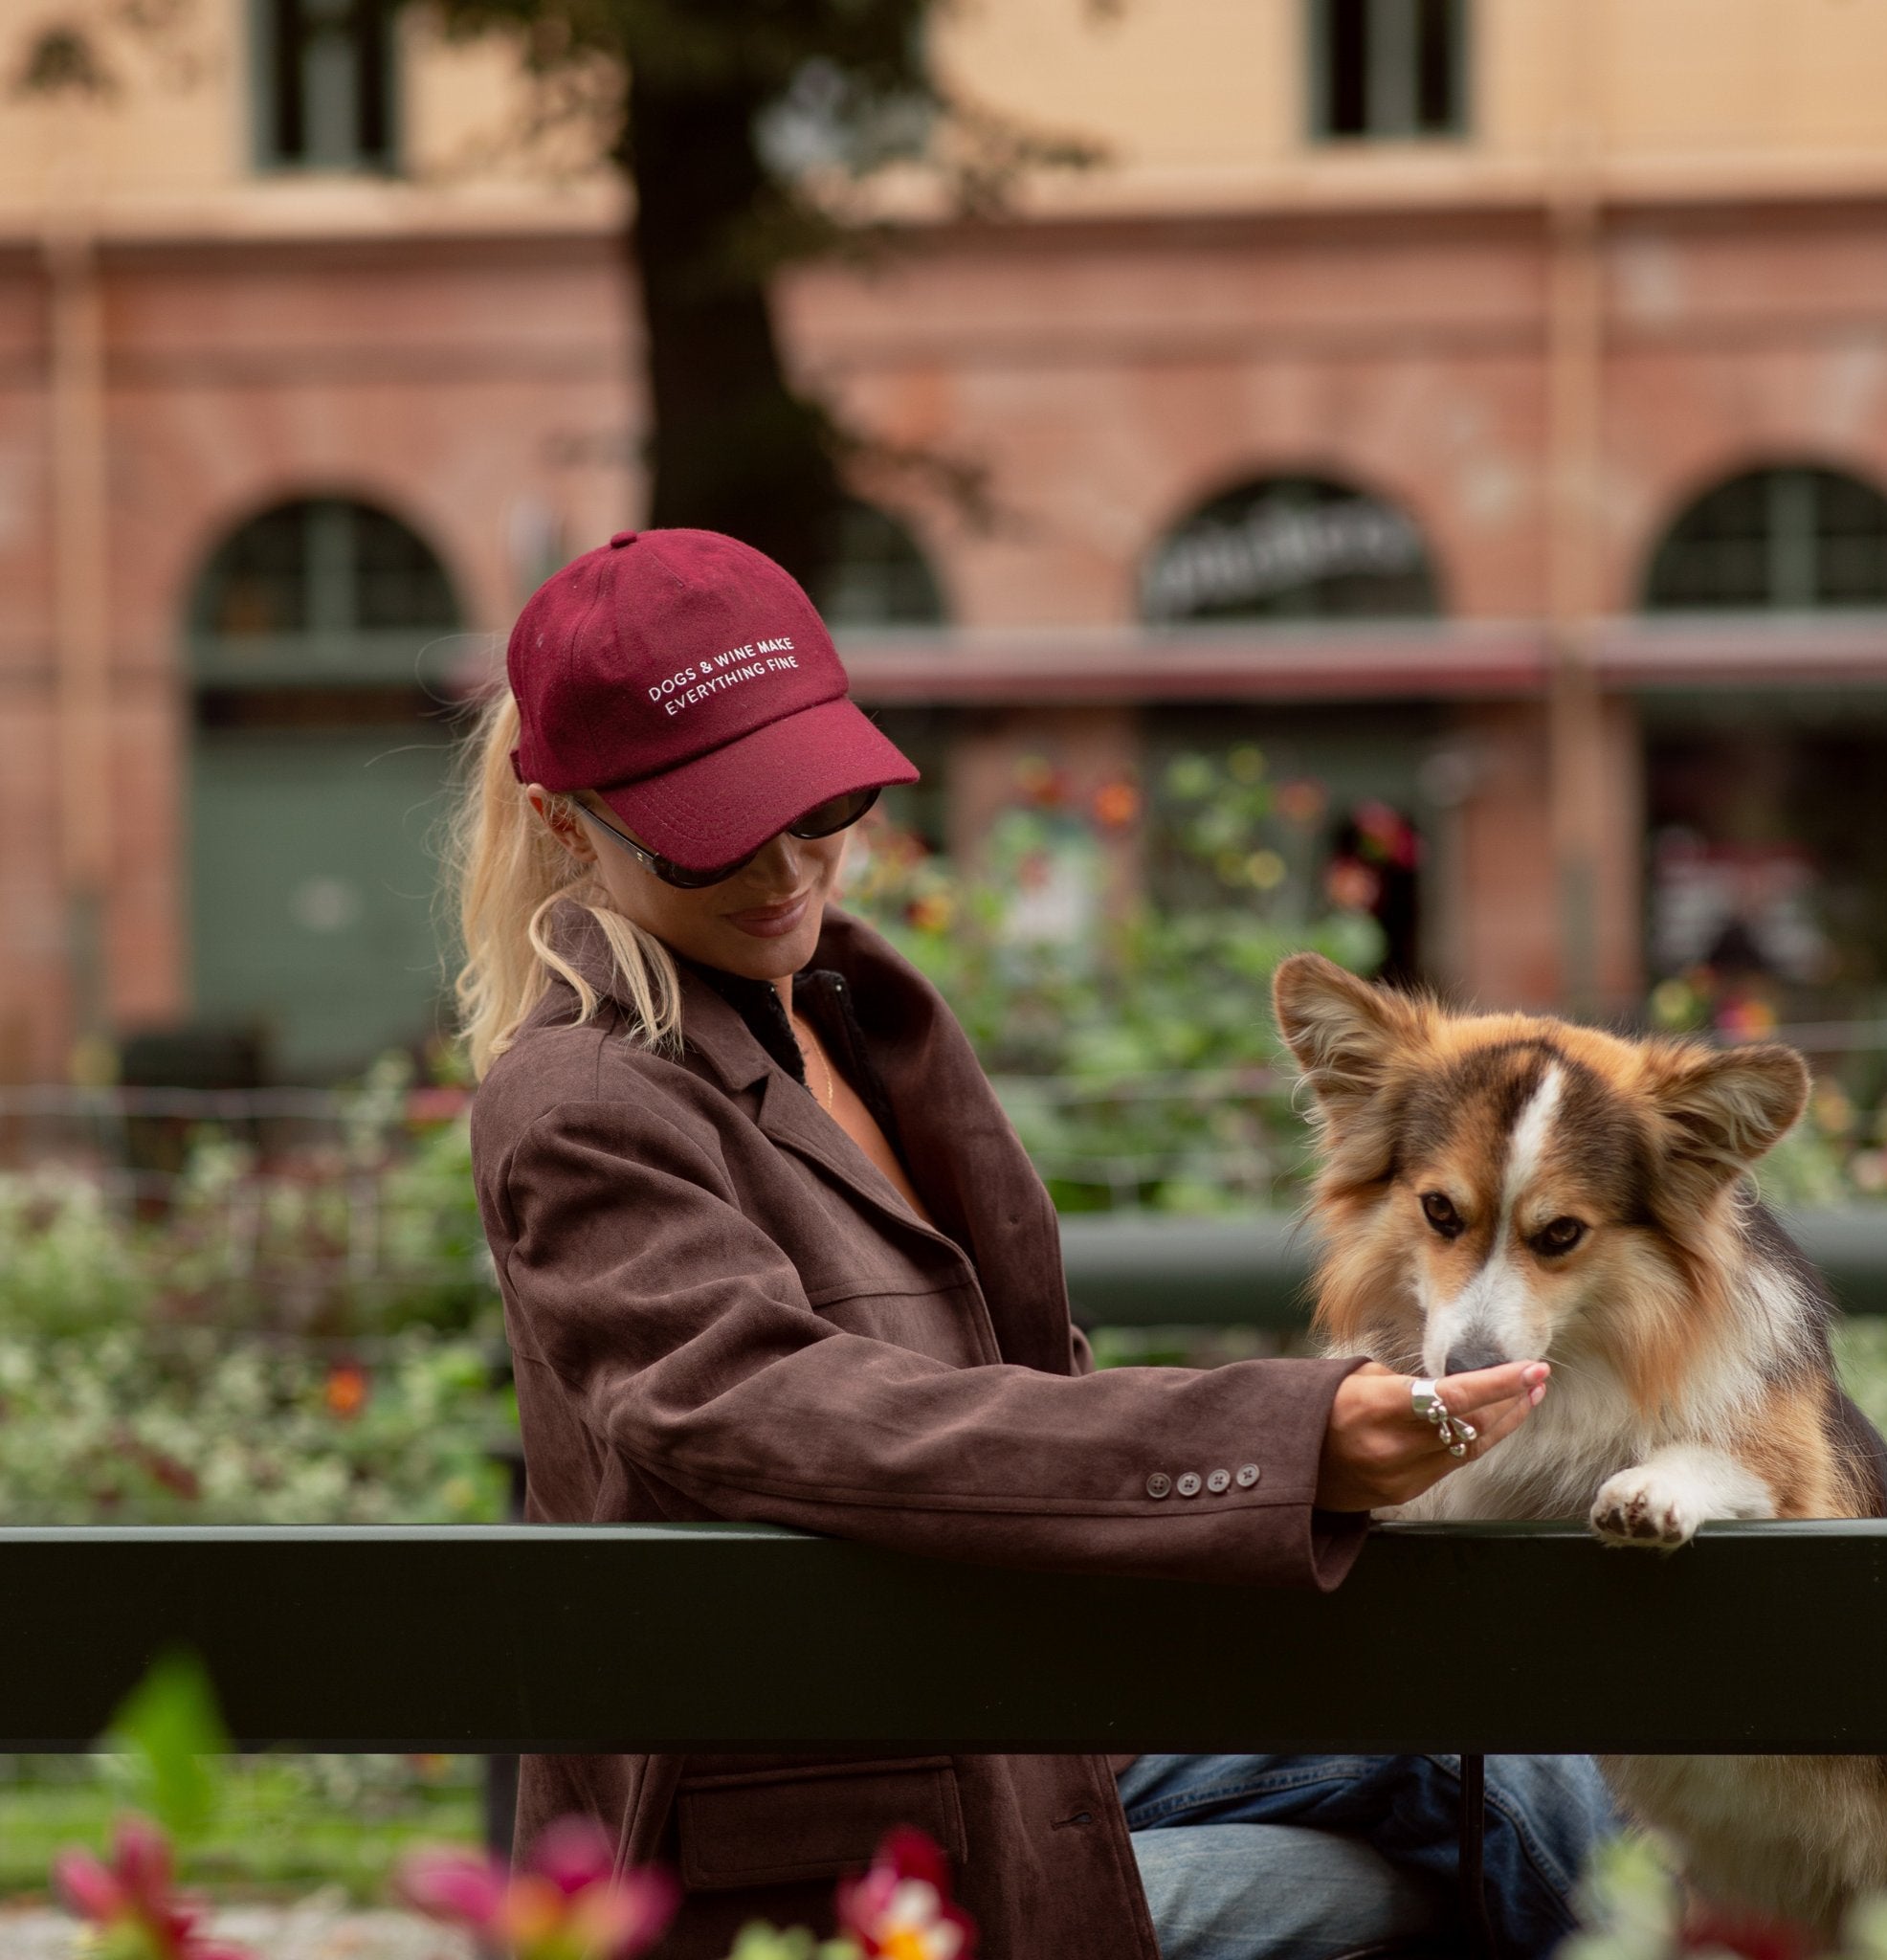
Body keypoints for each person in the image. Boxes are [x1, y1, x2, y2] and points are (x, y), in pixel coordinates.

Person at [451, 527, 1615, 1960]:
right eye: (712, 835)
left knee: (1493, 1763)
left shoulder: (852, 1016)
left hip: (1005, 1724)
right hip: (842, 1843)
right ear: (568, 824)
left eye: (815, 808)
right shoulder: (581, 1100)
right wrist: (1282, 1440)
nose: (785, 868)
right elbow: (774, 1405)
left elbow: (1025, 1395)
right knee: (1415, 1885)